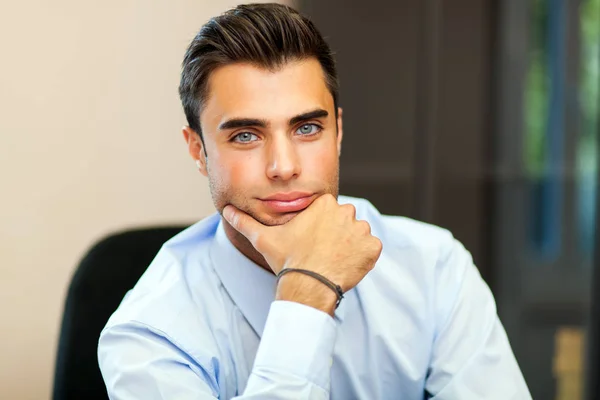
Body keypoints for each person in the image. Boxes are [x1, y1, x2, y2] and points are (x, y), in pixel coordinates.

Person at [98, 3, 531, 399]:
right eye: (246, 135)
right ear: (198, 150)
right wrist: (306, 293)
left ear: (338, 132)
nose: (284, 167)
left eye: (306, 129)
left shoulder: (434, 270)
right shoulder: (148, 336)